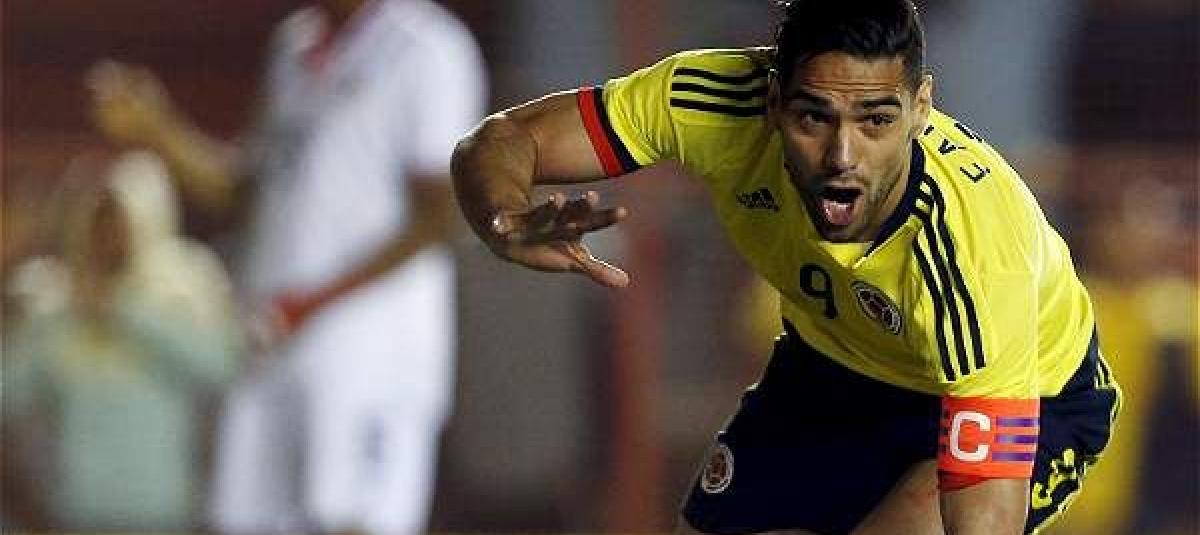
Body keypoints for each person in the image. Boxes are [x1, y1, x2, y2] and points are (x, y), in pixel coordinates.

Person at [450, 1, 1121, 533]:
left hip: (1030, 391)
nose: (842, 157)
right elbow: (501, 139)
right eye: (813, 117)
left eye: (875, 121)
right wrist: (500, 219)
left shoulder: (969, 255)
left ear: (921, 110)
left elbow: (984, 518)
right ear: (772, 103)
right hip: (837, 365)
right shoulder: (711, 102)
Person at [86, 1, 486, 533]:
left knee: (348, 521)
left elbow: (444, 213)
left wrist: (314, 302)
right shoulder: (293, 42)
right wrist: (158, 130)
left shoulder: (426, 48)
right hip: (273, 336)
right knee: (244, 518)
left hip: (367, 351)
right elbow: (249, 194)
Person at [4, 151, 241, 531]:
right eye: (99, 222)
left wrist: (124, 310)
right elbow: (8, 391)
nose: (109, 237)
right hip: (78, 513)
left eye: (119, 221)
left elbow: (223, 367)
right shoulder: (59, 301)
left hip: (162, 513)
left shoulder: (182, 285)